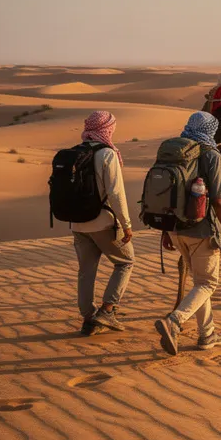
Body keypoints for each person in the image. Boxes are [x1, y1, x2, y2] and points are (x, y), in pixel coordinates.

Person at [154, 112, 221, 355]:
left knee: (199, 283)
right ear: (211, 130)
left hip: (176, 229)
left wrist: (166, 230)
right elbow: (220, 200)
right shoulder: (210, 155)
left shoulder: (172, 152)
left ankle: (207, 334)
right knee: (208, 283)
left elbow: (162, 195)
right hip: (203, 230)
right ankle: (175, 321)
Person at [70, 111, 134, 335]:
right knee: (125, 262)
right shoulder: (107, 154)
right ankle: (107, 310)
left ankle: (88, 319)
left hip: (78, 224)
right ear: (108, 129)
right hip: (104, 223)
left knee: (86, 272)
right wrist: (126, 224)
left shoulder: (75, 153)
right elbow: (116, 193)